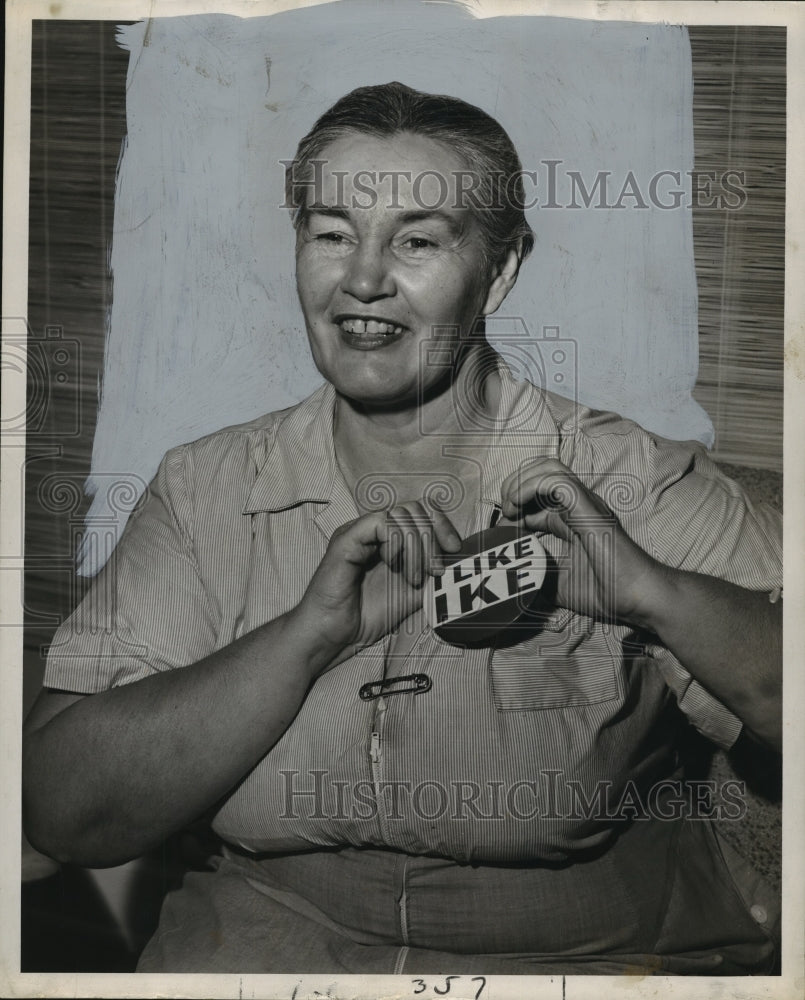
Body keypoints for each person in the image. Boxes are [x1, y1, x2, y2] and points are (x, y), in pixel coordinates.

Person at [22, 82, 782, 975]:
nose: (363, 279)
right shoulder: (207, 487)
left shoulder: (628, 479)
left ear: (498, 270)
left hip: (576, 961)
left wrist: (655, 595)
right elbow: (63, 815)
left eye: (417, 240)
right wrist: (308, 638)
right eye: (332, 233)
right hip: (260, 950)